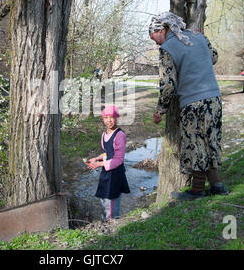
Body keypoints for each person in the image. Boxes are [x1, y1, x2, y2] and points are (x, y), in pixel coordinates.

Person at [149, 12, 229, 200]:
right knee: (210, 141)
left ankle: (197, 190)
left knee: (196, 144)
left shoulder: (167, 48)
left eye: (155, 39)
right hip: (214, 99)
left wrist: (160, 110)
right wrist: (202, 41)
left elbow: (168, 84)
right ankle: (217, 185)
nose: (157, 44)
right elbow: (214, 57)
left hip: (194, 102)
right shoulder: (198, 37)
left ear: (162, 29)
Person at [85, 105, 130, 220]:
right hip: (106, 172)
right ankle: (105, 223)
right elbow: (107, 153)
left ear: (116, 118)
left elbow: (118, 159)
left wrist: (99, 164)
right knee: (103, 200)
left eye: (112, 117)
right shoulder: (104, 134)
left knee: (112, 202)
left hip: (115, 175)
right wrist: (97, 159)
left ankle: (113, 225)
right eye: (106, 118)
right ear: (103, 119)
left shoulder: (120, 135)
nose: (109, 120)